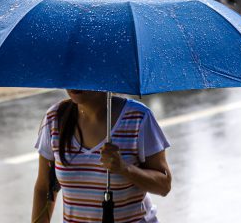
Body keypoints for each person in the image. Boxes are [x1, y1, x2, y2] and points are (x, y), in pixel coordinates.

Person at [32, 90, 172, 223]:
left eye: (84, 72)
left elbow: (164, 185)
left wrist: (125, 169)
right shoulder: (55, 119)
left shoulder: (138, 118)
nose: (74, 83)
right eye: (71, 72)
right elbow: (44, 188)